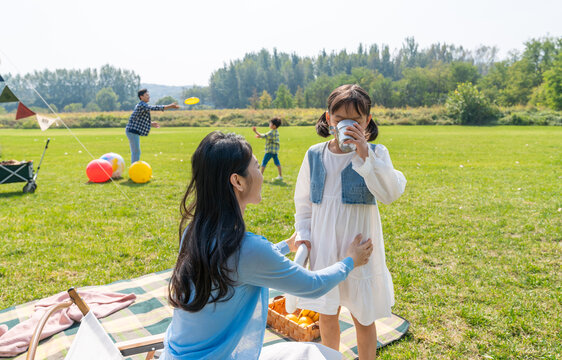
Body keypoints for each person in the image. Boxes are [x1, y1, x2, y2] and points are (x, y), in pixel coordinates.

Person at [160, 131, 373, 360]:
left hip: (173, 355)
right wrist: (350, 260)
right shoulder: (247, 249)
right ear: (238, 181)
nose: (260, 173)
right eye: (256, 166)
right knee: (327, 356)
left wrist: (285, 246)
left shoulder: (194, 232)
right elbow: (313, 285)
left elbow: (235, 263)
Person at [293, 84, 407, 359]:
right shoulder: (314, 154)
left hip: (359, 247)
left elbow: (389, 193)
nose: (347, 125)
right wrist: (304, 235)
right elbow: (304, 202)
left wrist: (364, 155)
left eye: (355, 120)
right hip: (325, 248)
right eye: (339, 119)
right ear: (329, 119)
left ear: (367, 121)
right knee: (327, 312)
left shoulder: (376, 154)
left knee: (363, 317)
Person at [125, 89, 179, 164]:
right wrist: (170, 106)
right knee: (136, 152)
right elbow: (154, 108)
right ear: (141, 97)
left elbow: (138, 119)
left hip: (132, 131)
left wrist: (151, 123)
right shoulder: (142, 105)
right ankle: (133, 169)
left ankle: (134, 168)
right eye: (146, 95)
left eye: (148, 95)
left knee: (136, 151)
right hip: (132, 131)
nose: (149, 97)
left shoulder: (142, 105)